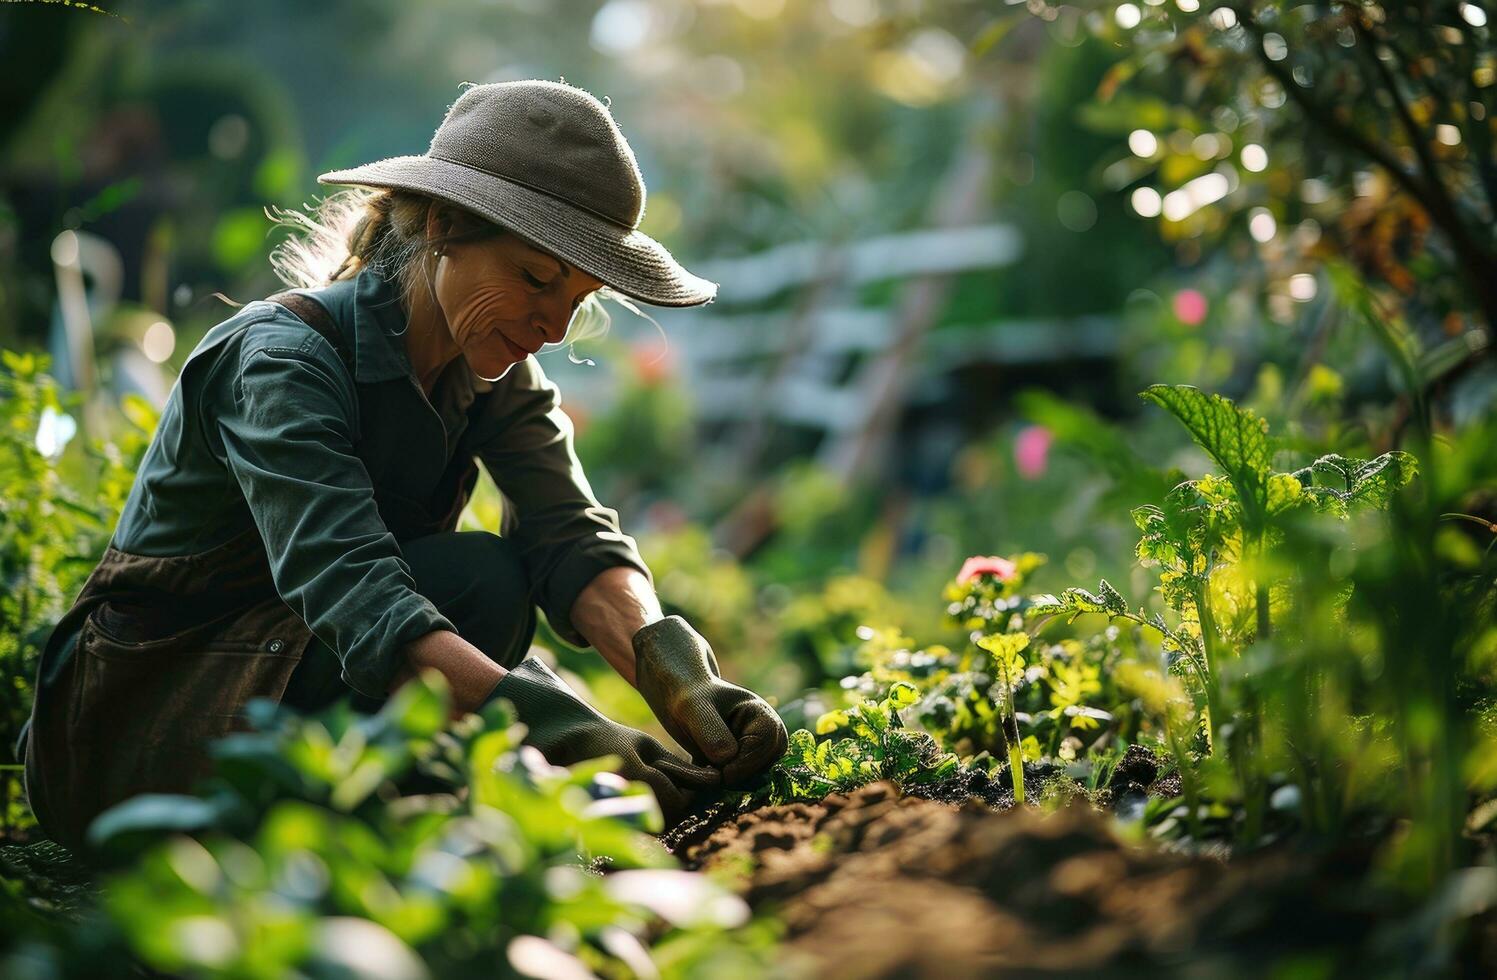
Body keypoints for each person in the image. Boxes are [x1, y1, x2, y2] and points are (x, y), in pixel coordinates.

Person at [20, 79, 788, 854]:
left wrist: (679, 679)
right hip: (124, 738)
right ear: (445, 226)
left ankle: (369, 817)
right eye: (534, 280)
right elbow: (359, 596)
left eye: (579, 298)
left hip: (278, 684)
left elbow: (573, 537)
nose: (553, 327)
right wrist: (563, 730)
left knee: (485, 588)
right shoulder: (281, 363)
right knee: (478, 583)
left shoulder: (491, 372)